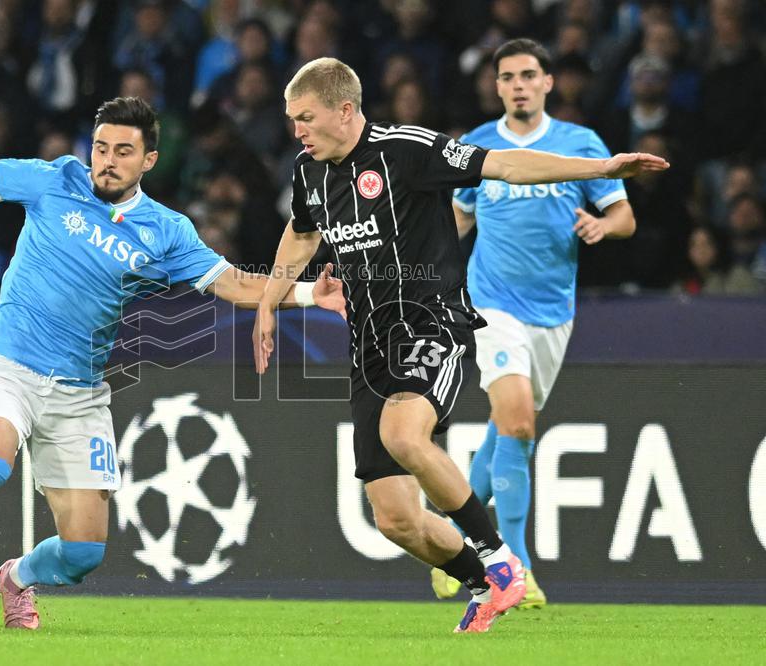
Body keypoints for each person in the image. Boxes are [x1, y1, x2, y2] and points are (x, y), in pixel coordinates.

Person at [0, 96, 346, 630]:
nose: (107, 160)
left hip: (80, 394)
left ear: (149, 161)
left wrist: (304, 296)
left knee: (83, 554)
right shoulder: (52, 181)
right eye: (100, 148)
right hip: (12, 367)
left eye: (123, 151)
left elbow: (233, 283)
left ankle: (16, 578)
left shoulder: (166, 232)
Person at [253, 57, 666, 633]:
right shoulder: (310, 171)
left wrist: (600, 167)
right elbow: (300, 234)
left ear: (344, 110)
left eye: (305, 117)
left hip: (432, 324)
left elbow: (506, 166)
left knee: (403, 434)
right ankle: (481, 582)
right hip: (368, 348)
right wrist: (271, 303)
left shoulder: (409, 149)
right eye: (292, 119)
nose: (297, 131)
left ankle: (502, 562)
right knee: (396, 519)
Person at [430, 38, 640, 610]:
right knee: (518, 423)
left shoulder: (580, 145)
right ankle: (514, 567)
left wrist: (603, 227)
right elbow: (457, 222)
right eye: (507, 77)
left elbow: (623, 216)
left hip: (553, 312)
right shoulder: (477, 146)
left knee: (510, 426)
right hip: (490, 304)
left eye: (528, 75)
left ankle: (446, 535)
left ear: (549, 82)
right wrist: (426, 280)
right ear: (496, 86)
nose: (518, 84)